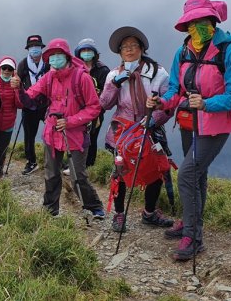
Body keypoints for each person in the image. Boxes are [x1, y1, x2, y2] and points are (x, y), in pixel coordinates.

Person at [146, 0, 231, 261]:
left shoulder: (230, 51)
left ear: (212, 21)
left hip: (216, 124)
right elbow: (175, 89)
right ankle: (191, 222)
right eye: (191, 22)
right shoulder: (184, 51)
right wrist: (161, 102)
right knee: (198, 174)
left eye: (201, 21)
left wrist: (206, 103)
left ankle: (193, 236)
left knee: (188, 173)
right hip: (188, 122)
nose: (196, 27)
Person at [11, 38, 105, 219]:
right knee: (51, 173)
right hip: (52, 133)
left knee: (78, 176)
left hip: (75, 135)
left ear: (67, 56)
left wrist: (70, 121)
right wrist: (19, 89)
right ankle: (50, 209)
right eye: (51, 56)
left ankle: (94, 205)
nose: (54, 59)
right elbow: (30, 98)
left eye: (58, 55)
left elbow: (94, 108)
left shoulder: (81, 77)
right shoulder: (49, 77)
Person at [100, 26, 174, 233]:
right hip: (122, 131)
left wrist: (154, 119)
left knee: (156, 169)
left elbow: (169, 103)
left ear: (142, 48)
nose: (129, 50)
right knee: (121, 171)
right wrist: (114, 85)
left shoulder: (158, 73)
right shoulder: (114, 75)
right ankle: (119, 214)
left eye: (133, 45)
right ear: (119, 52)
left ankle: (149, 212)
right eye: (125, 47)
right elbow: (104, 104)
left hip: (150, 128)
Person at [16, 34, 50, 175]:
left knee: (53, 133)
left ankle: (56, 161)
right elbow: (18, 83)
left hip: (46, 104)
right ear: (28, 49)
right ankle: (31, 162)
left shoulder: (48, 63)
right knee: (29, 136)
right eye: (31, 47)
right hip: (29, 106)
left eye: (37, 47)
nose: (34, 50)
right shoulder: (23, 64)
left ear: (42, 48)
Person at [74, 38, 110, 167]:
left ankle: (89, 165)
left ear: (95, 53)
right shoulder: (74, 68)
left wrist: (99, 109)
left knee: (92, 138)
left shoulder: (103, 70)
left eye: (89, 50)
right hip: (77, 110)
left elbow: (107, 93)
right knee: (76, 136)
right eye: (83, 50)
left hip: (96, 111)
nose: (86, 53)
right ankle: (75, 163)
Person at [0, 56, 23, 177]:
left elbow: (20, 105)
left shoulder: (17, 84)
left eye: (10, 68)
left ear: (13, 70)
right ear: (0, 68)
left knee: (2, 151)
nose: (7, 71)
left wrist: (18, 89)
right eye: (4, 68)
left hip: (7, 125)